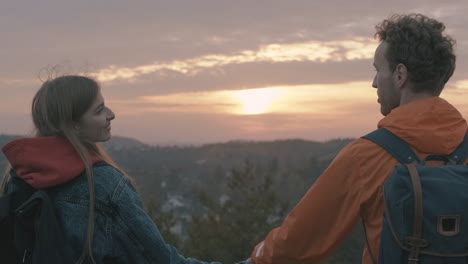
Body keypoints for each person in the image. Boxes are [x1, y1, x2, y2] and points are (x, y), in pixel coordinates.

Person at [248, 14, 464, 264]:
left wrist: (257, 257)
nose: (374, 83)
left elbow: (297, 244)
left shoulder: (366, 156)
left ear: (400, 75)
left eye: (377, 70)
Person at [0, 75, 230, 264]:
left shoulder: (19, 178)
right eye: (99, 110)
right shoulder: (102, 184)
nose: (111, 114)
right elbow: (159, 260)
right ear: (73, 126)